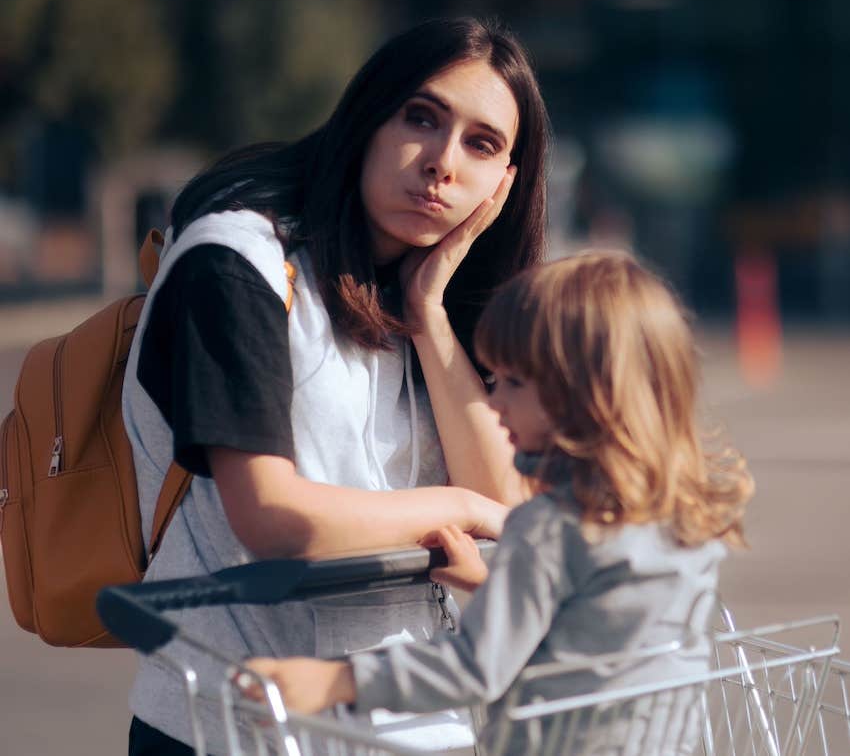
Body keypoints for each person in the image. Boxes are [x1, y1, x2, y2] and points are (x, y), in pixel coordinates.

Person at [122, 16, 550, 754]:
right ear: (367, 117)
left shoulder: (434, 302)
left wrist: (428, 315)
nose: (443, 163)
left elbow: (507, 512)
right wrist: (459, 505)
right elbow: (271, 515)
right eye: (422, 117)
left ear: (504, 185)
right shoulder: (237, 259)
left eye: (482, 144)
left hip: (414, 727)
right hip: (231, 724)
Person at [241, 251, 755, 754]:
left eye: (512, 382)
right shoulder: (678, 513)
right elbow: (607, 629)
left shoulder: (549, 526)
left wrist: (336, 681)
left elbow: (475, 667)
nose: (493, 402)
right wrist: (493, 585)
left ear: (582, 395)